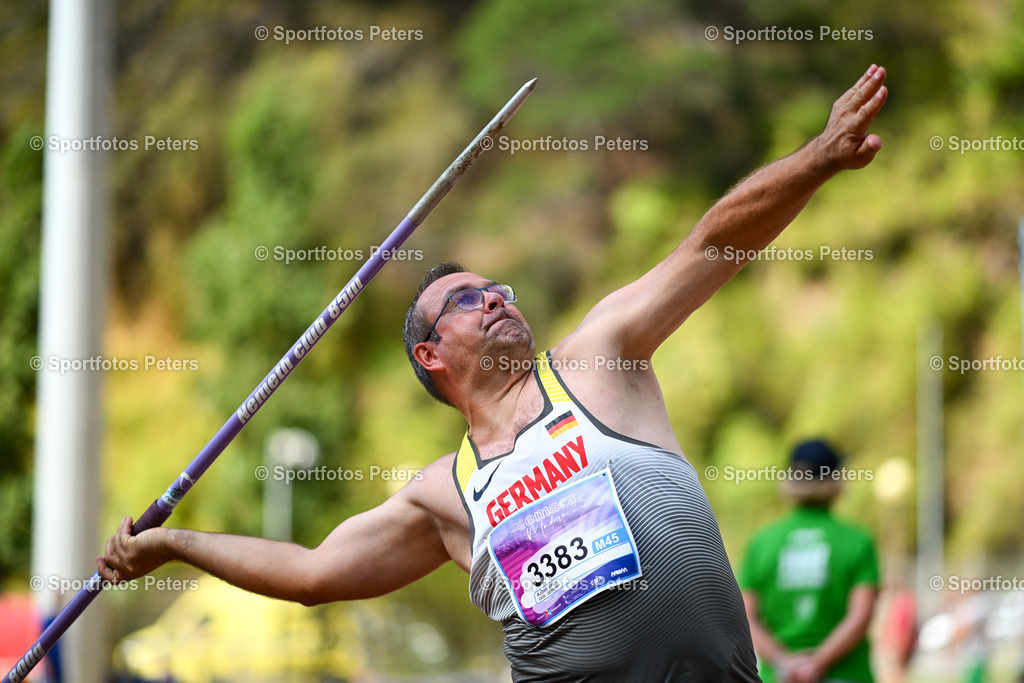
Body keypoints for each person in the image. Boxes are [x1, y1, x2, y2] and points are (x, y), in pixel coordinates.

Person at [98, 65, 888, 681]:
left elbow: (712, 243)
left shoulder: (596, 361)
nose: (498, 299)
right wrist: (175, 543)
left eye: (499, 289)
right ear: (431, 356)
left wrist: (816, 160)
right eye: (470, 299)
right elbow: (310, 573)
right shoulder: (445, 492)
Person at [740, 439, 880, 683]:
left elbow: (745, 618)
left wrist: (785, 662)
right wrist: (816, 664)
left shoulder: (762, 543)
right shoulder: (858, 541)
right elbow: (861, 616)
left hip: (782, 677)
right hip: (846, 675)